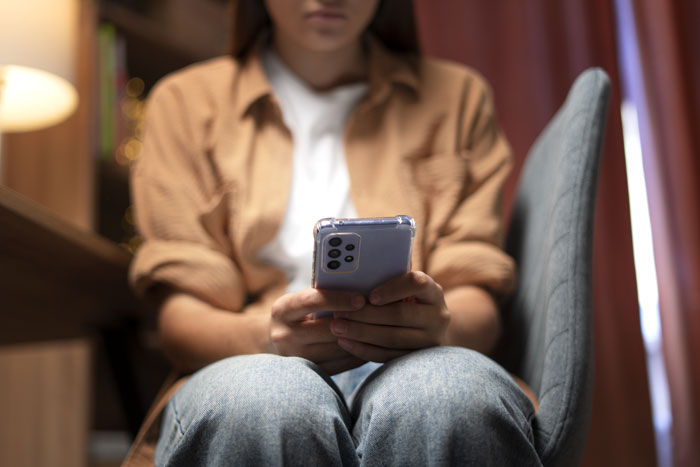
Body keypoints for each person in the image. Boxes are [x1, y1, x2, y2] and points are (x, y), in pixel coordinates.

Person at [124, 0, 540, 465]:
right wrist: (266, 337)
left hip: (419, 357)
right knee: (265, 400)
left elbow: (477, 294)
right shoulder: (184, 102)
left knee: (449, 395)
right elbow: (181, 317)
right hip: (250, 357)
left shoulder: (457, 96)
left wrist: (439, 326)